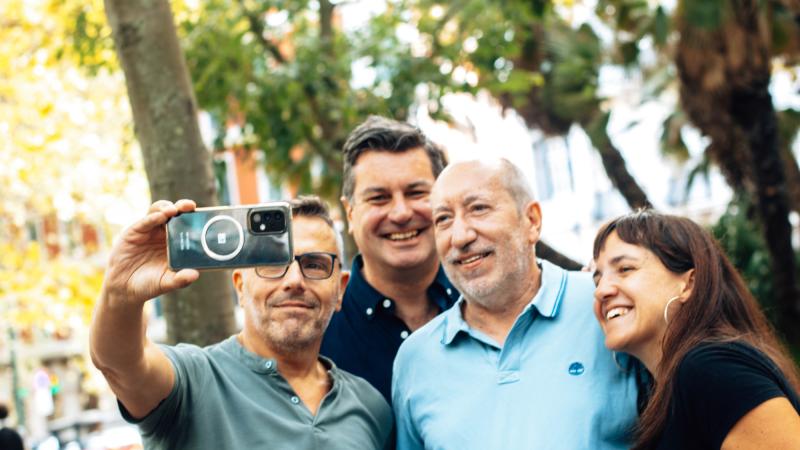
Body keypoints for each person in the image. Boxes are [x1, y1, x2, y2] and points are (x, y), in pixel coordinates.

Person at [90, 196, 392, 450]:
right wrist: (120, 294)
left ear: (340, 289)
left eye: (314, 265)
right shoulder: (192, 383)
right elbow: (119, 363)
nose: (294, 280)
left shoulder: (371, 408)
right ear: (240, 287)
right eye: (273, 261)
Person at [392, 158, 639, 449]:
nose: (459, 236)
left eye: (478, 208)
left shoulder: (608, 305)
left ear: (531, 221)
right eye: (443, 219)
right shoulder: (415, 360)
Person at [592, 210, 800, 449]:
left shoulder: (710, 369)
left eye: (625, 269)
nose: (601, 291)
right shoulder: (667, 390)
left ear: (688, 284)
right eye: (597, 280)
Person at [321, 116, 459, 403]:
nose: (401, 213)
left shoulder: (488, 303)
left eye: (416, 193)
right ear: (350, 213)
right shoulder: (317, 335)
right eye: (379, 198)